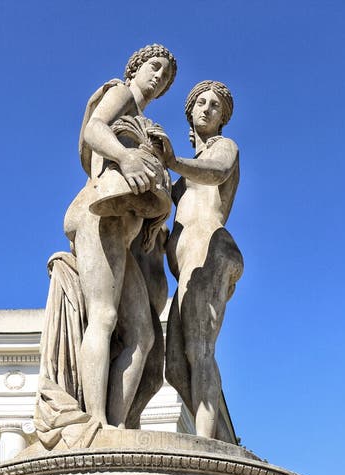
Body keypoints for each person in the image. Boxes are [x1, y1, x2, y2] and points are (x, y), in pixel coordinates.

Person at [36, 44, 176, 444]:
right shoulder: (121, 93)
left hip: (123, 232)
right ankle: (95, 421)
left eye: (166, 76)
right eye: (155, 67)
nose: (159, 77)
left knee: (143, 335)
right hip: (99, 217)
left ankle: (115, 426)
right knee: (104, 315)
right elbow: (93, 129)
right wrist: (125, 157)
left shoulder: (145, 123)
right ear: (135, 67)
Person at [164, 80, 244, 439]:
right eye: (201, 102)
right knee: (175, 367)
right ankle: (217, 438)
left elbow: (217, 172)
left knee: (199, 348)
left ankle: (205, 443)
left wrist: (171, 162)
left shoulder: (223, 148)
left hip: (210, 248)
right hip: (186, 265)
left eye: (215, 106)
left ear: (222, 119)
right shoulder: (185, 173)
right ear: (190, 111)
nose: (208, 109)